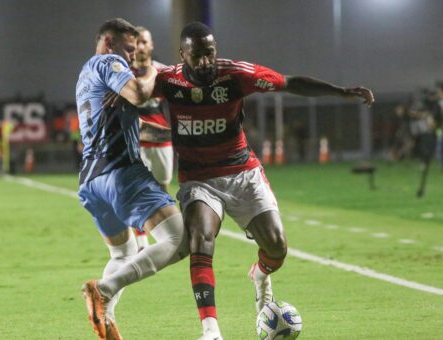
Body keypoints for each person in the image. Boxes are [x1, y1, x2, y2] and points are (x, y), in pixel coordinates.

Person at [153, 22, 374, 340]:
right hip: (198, 179)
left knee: (277, 246)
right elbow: (136, 91)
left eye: (210, 53)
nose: (205, 62)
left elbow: (289, 82)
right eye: (197, 55)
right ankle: (211, 330)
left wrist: (340, 92)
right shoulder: (167, 80)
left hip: (243, 173)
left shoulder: (235, 75)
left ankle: (259, 273)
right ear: (182, 55)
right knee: (201, 237)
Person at [75, 18, 188, 339]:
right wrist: (151, 69)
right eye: (127, 48)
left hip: (90, 181)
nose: (131, 56)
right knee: (180, 239)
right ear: (109, 42)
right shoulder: (108, 61)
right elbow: (139, 93)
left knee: (123, 254)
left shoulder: (84, 73)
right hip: (120, 171)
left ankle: (106, 319)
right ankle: (104, 290)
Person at [131, 26, 174, 250]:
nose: (140, 47)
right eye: (136, 42)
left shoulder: (163, 72)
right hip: (136, 142)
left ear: (151, 45)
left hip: (162, 141)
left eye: (144, 42)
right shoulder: (124, 73)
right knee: (137, 190)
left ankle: (164, 231)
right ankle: (141, 241)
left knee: (162, 189)